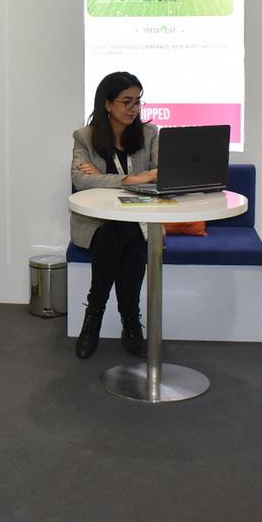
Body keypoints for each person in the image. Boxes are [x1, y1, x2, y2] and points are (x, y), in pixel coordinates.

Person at [70, 71, 158, 359]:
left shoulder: (149, 134)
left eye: (138, 101)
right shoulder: (85, 137)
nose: (134, 108)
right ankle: (130, 321)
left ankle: (93, 317)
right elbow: (80, 180)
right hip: (96, 224)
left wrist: (102, 176)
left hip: (140, 220)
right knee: (119, 232)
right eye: (127, 102)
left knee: (125, 231)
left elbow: (161, 176)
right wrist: (133, 180)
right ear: (108, 104)